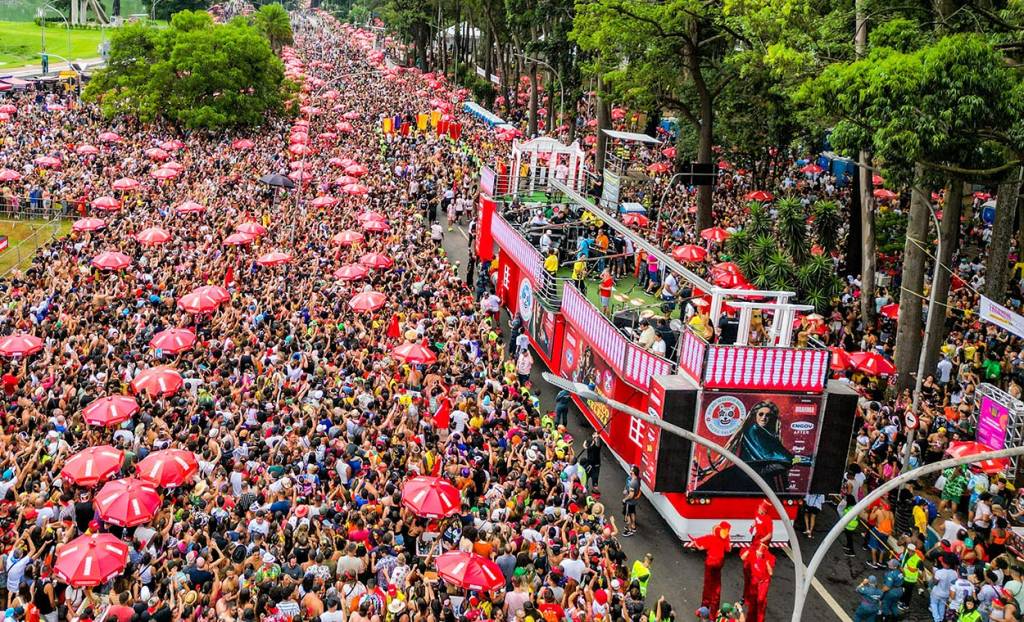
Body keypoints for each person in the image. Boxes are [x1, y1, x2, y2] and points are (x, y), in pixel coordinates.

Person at [692, 522, 731, 614]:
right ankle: (714, 613)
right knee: (716, 587)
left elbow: (700, 547)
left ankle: (704, 609)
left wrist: (696, 544)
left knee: (708, 586)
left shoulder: (711, 538)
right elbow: (728, 549)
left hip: (710, 563)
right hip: (719, 564)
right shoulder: (725, 540)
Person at [622, 465, 641, 535]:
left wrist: (624, 499)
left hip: (629, 502)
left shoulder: (633, 483)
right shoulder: (638, 480)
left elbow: (631, 495)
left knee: (627, 516)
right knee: (632, 512)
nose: (630, 470)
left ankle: (629, 529)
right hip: (633, 502)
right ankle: (633, 526)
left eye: (631, 470)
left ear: (633, 472)